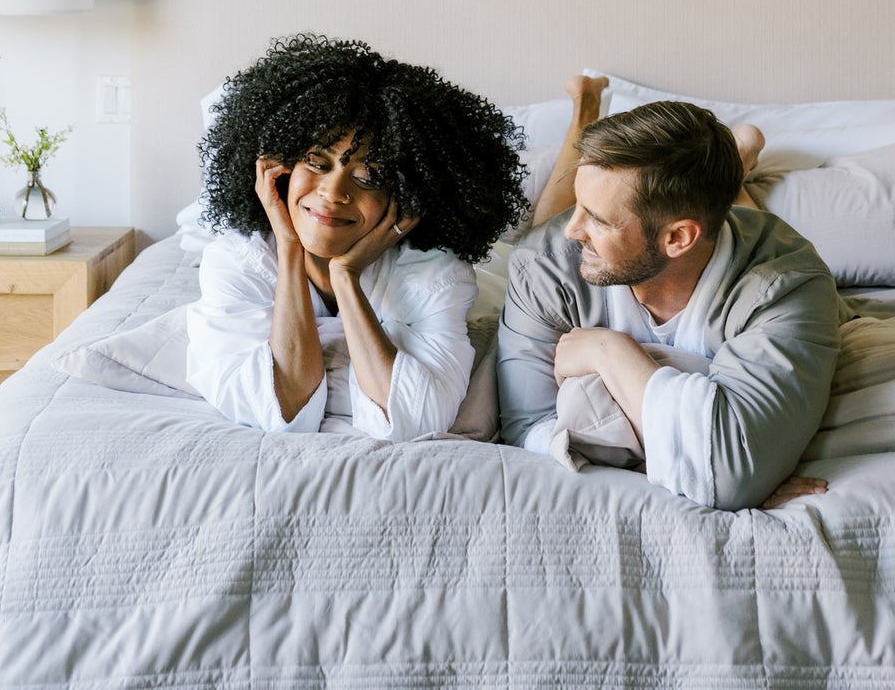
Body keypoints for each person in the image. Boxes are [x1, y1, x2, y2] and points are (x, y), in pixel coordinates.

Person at [498, 77, 842, 510]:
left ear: (678, 237)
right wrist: (693, 459)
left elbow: (730, 475)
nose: (573, 229)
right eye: (577, 204)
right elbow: (527, 428)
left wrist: (610, 352)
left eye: (599, 220)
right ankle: (736, 165)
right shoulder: (543, 265)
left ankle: (737, 167)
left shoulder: (786, 284)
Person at [186, 34, 529, 441]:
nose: (333, 192)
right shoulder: (237, 258)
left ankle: (584, 110)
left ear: (405, 194)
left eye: (369, 177)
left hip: (496, 275)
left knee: (537, 232)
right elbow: (281, 408)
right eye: (317, 162)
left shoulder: (439, 273)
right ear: (280, 169)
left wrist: (346, 278)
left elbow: (416, 422)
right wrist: (290, 248)